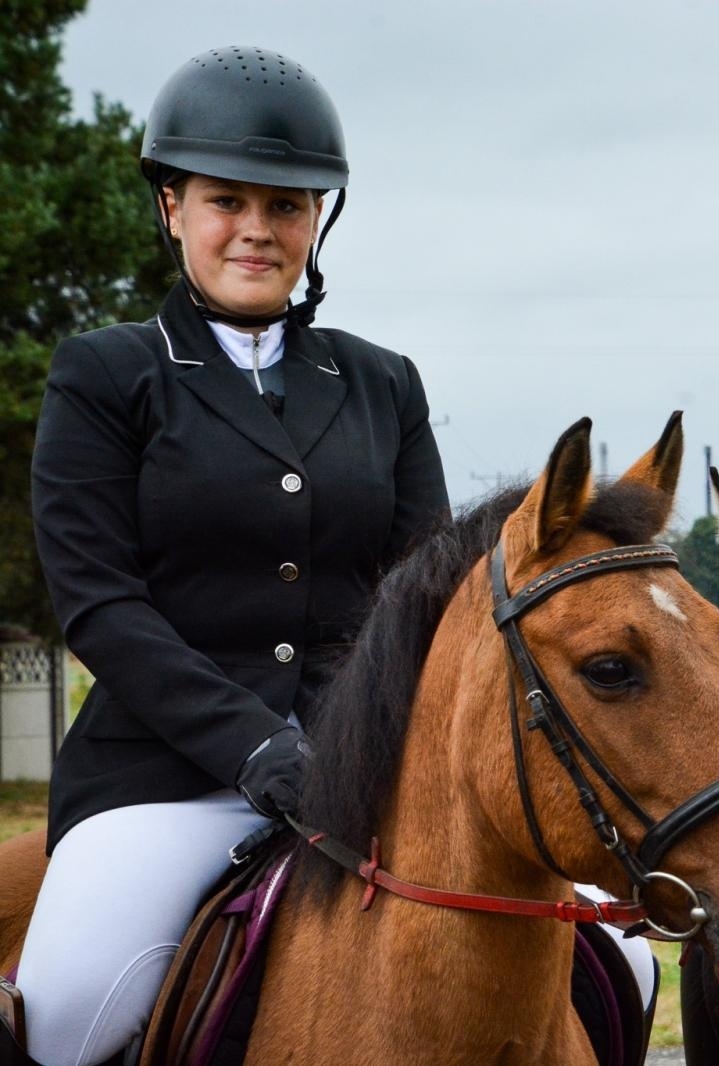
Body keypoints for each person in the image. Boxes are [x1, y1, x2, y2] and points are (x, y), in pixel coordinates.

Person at [8, 47, 450, 1066]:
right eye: (225, 200)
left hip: (364, 776)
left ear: (317, 219)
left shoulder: (386, 385)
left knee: (616, 963)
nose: (258, 228)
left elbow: (423, 597)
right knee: (69, 1008)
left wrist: (362, 745)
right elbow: (101, 605)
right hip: (167, 780)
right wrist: (254, 745)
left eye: (287, 204)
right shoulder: (106, 374)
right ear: (172, 207)